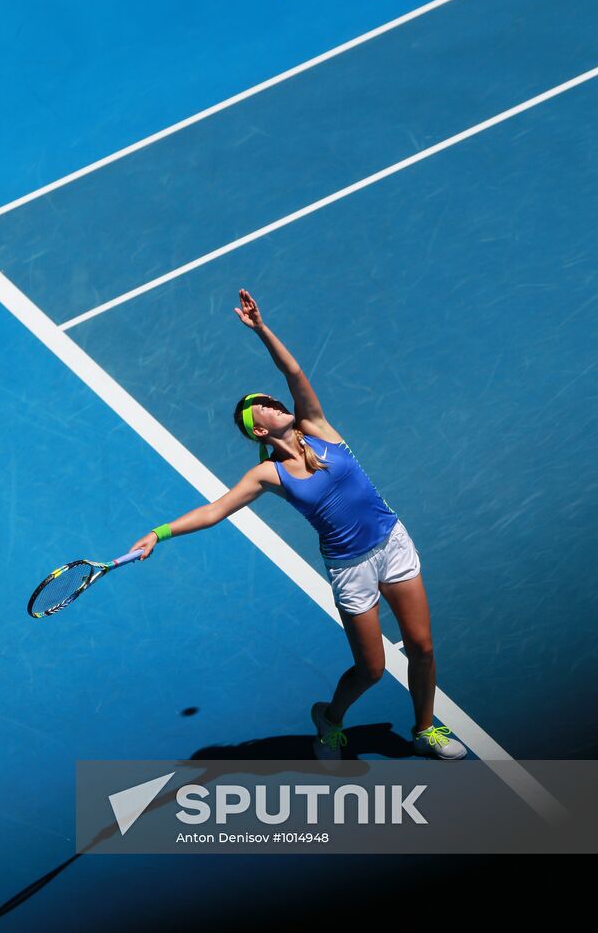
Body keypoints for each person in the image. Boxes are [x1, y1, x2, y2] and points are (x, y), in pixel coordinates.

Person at [130, 289, 467, 761]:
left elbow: (292, 373)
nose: (272, 400)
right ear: (259, 430)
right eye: (262, 405)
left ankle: (424, 727)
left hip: (391, 542)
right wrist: (158, 533)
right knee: (370, 670)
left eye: (269, 398)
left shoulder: (318, 427)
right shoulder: (269, 474)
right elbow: (214, 511)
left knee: (423, 646)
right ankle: (329, 718)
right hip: (351, 568)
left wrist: (261, 329)